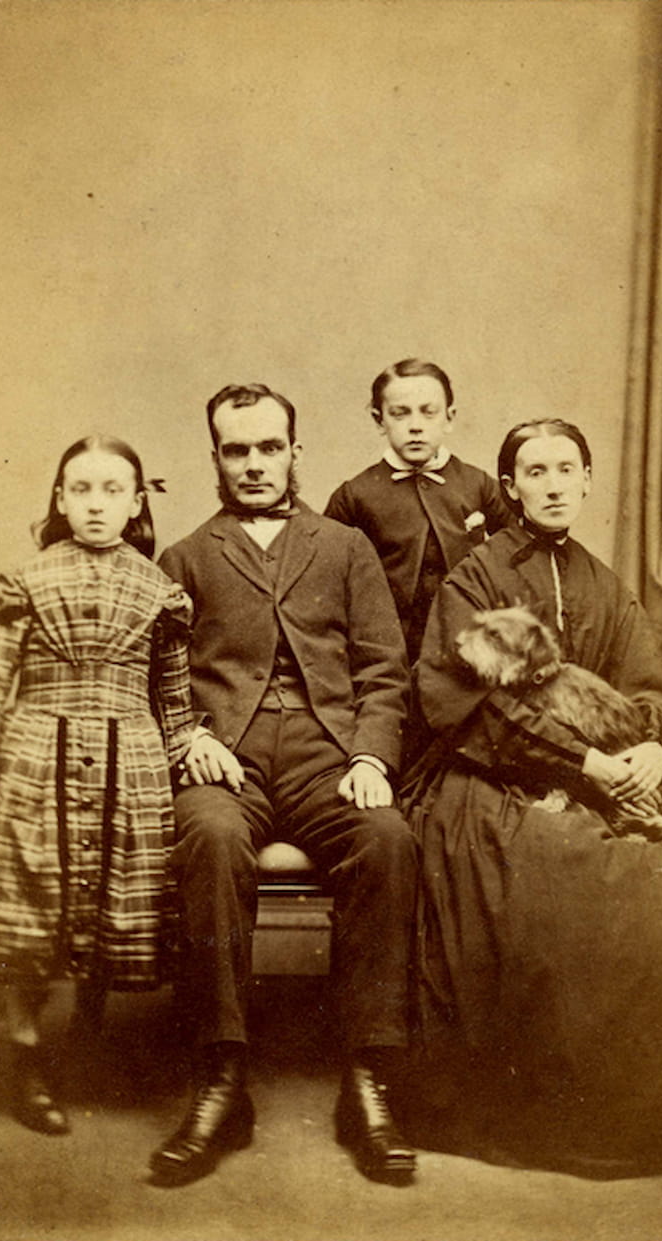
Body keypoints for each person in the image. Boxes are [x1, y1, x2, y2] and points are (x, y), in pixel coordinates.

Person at [402, 418, 662, 1175]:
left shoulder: (605, 584)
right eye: (535, 472)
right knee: (557, 868)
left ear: (588, 480)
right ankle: (542, 1106)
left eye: (567, 469)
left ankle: (642, 1109)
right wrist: (582, 762)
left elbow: (650, 688)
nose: (554, 485)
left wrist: (650, 747)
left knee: (658, 883)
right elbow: (462, 704)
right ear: (510, 488)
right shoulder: (475, 578)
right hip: (486, 775)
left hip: (603, 777)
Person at [151, 382, 419, 1187]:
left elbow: (383, 670)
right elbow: (158, 681)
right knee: (210, 833)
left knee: (387, 838)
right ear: (216, 457)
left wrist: (370, 758)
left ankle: (367, 1079)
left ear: (295, 451)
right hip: (225, 755)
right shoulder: (186, 557)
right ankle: (221, 1075)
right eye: (237, 449)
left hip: (326, 752)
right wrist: (192, 738)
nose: (255, 463)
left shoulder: (345, 547)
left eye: (270, 447)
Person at [0, 436, 195, 1137]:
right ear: (60, 499)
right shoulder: (25, 580)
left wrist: (184, 765)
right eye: (81, 489)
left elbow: (174, 700)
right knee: (32, 907)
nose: (96, 504)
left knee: (117, 901)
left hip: (132, 760)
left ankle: (92, 1037)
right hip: (35, 758)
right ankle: (26, 1053)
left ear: (136, 502)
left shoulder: (159, 590)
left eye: (112, 490)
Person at [324, 359, 512, 667]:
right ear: (379, 420)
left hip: (468, 652)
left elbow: (520, 555)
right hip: (386, 654)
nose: (415, 426)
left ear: (449, 418)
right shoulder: (354, 495)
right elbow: (325, 580)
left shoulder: (478, 485)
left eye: (429, 412)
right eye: (400, 413)